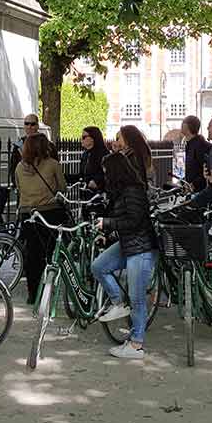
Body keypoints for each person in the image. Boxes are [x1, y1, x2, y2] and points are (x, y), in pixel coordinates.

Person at [91, 151, 157, 360]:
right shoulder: (121, 191)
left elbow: (135, 221)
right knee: (99, 266)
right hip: (129, 244)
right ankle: (118, 303)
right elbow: (124, 220)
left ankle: (137, 345)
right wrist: (108, 235)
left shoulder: (133, 191)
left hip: (142, 247)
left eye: (106, 171)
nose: (104, 175)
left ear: (115, 171)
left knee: (137, 297)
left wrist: (108, 224)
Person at [16, 133, 67, 305]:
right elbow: (62, 188)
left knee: (32, 255)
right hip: (49, 212)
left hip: (28, 214)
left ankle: (33, 292)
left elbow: (18, 188)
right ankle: (49, 289)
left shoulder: (19, 168)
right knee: (51, 253)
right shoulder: (53, 165)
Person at [68, 126, 109, 193]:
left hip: (99, 194)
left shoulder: (104, 154)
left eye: (84, 137)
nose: (81, 139)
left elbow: (108, 174)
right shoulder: (85, 154)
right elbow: (81, 175)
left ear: (93, 138)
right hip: (86, 192)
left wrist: (97, 181)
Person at [181, 115, 212, 192]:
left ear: (186, 126)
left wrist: (194, 184)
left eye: (183, 123)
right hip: (192, 189)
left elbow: (204, 170)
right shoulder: (190, 144)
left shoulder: (200, 145)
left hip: (199, 190)